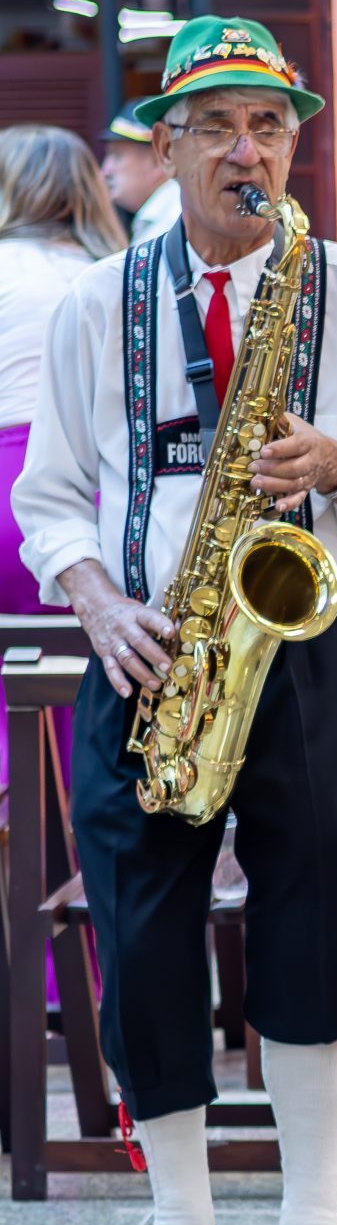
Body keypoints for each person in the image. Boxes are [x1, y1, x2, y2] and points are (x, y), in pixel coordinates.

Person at [13, 15, 337, 1225]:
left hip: (301, 649)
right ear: (170, 146)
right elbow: (53, 496)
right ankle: (180, 1224)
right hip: (146, 646)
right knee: (143, 930)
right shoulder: (100, 300)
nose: (246, 151)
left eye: (269, 126)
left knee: (311, 919)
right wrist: (96, 598)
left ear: (294, 145)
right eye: (217, 126)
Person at [0, 124, 125, 791]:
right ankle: (86, 855)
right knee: (92, 676)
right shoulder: (112, 276)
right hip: (89, 492)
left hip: (3, 479)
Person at [98, 101, 179, 244]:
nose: (105, 170)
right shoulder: (160, 216)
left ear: (159, 159)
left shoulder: (174, 222)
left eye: (117, 156)